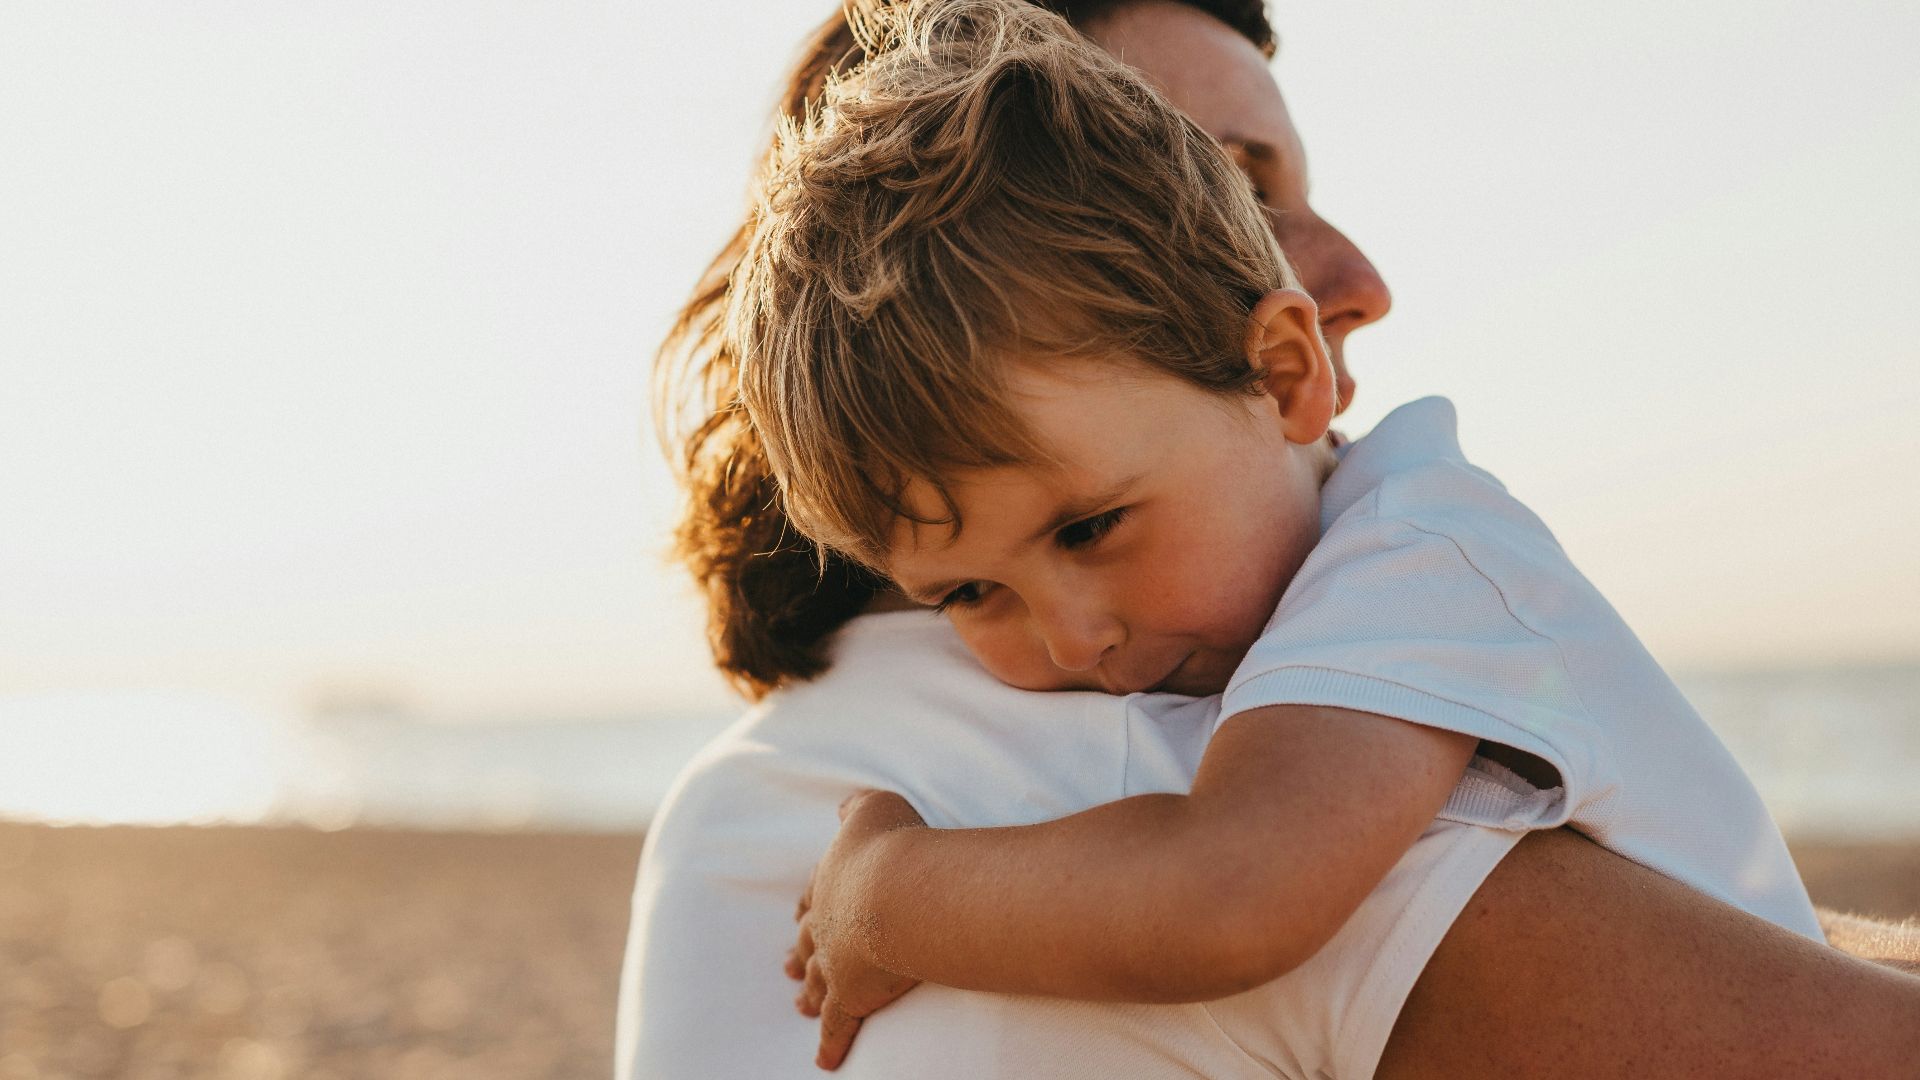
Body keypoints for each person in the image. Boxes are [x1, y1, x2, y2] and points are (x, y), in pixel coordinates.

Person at [617, 3, 1920, 1078]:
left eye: (1091, 528)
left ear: (1278, 369)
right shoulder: (1126, 742)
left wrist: (891, 893)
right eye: (1224, 178)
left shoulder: (1405, 557)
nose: (1070, 637)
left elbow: (1237, 885)